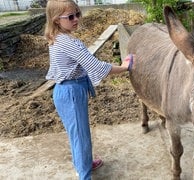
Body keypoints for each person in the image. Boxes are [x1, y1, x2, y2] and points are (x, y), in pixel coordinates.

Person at [44, 0, 134, 179]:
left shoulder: (57, 37)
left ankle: (82, 162)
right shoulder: (69, 43)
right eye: (70, 16)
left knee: (76, 134)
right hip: (71, 93)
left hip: (65, 92)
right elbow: (97, 67)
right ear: (56, 20)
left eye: (78, 13)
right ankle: (84, 175)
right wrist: (124, 67)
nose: (76, 19)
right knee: (80, 138)